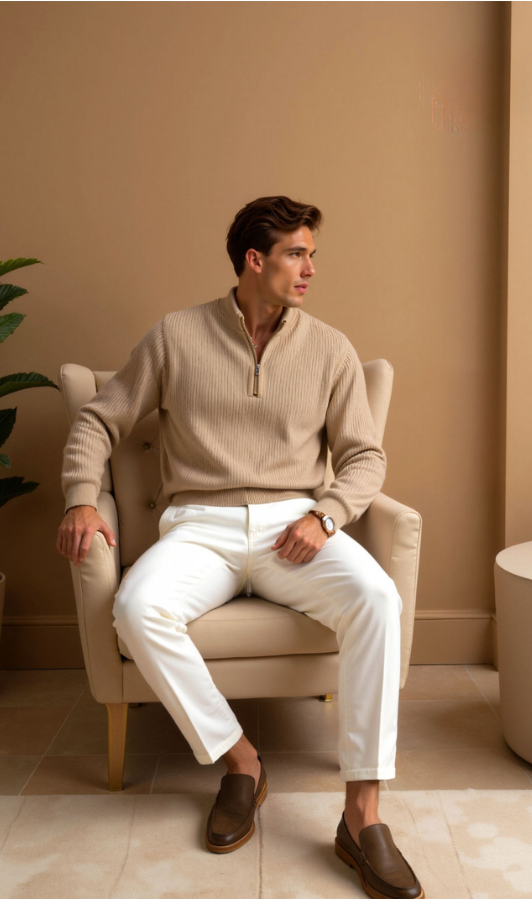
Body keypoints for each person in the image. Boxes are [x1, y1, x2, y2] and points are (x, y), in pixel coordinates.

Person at [57, 195, 424, 900]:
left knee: (378, 598)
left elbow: (364, 457)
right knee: (135, 608)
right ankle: (240, 760)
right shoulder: (175, 336)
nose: (310, 268)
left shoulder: (330, 348)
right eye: (297, 254)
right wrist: (79, 495)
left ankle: (363, 815)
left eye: (312, 254)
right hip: (201, 526)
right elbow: (99, 420)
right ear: (255, 260)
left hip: (297, 526)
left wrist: (327, 516)